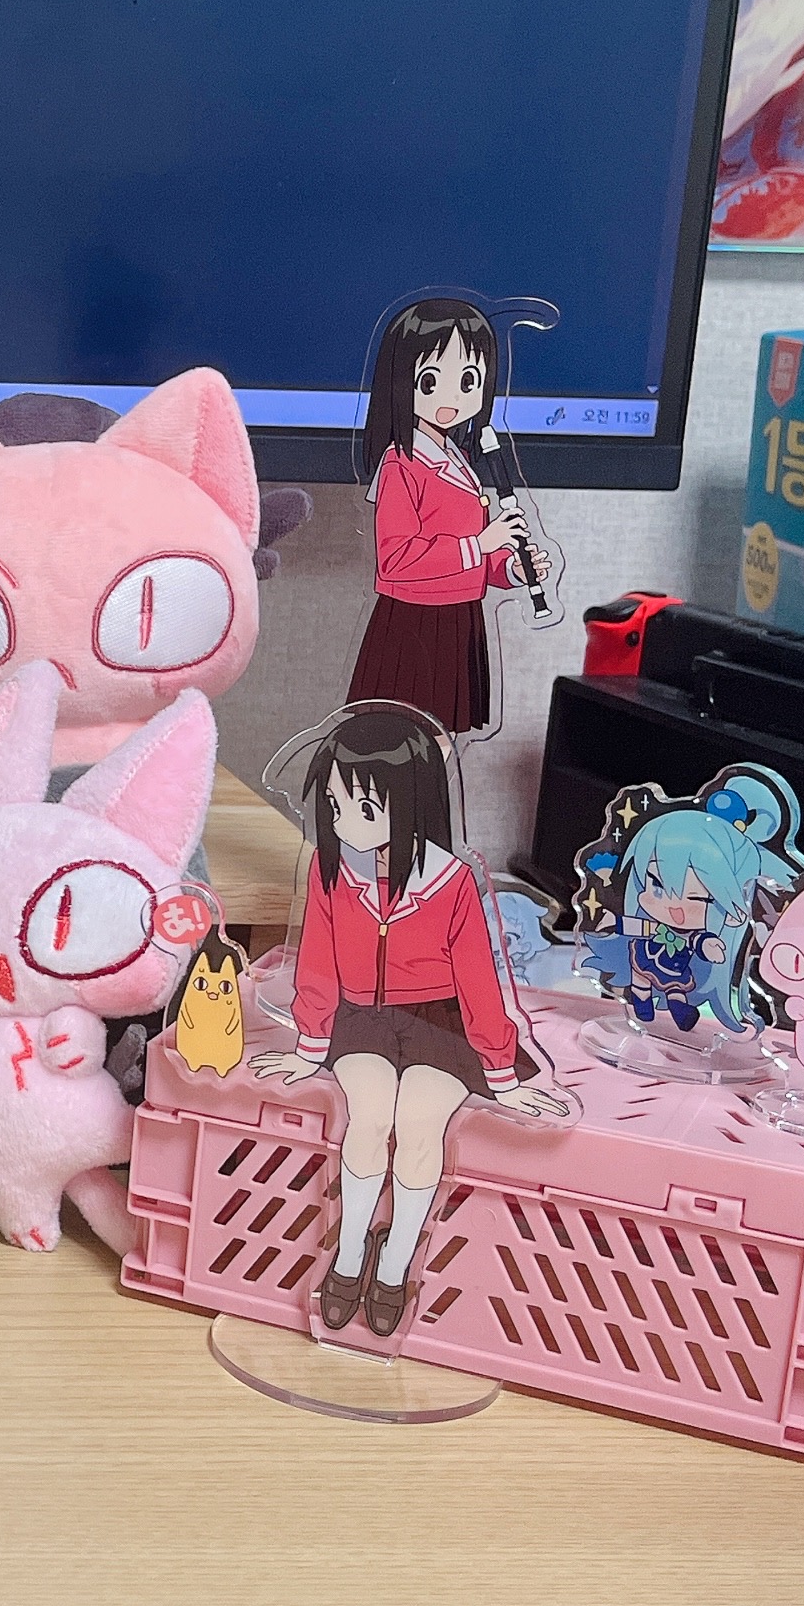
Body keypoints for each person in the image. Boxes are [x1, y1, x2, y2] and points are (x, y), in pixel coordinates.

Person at [252, 704, 568, 1336]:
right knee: (370, 1116)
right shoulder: (329, 871)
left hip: (439, 1026)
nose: (342, 822)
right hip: (362, 1020)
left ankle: (395, 1265)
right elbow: (316, 962)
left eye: (363, 808)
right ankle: (348, 1257)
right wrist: (309, 1046)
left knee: (420, 1126)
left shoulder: (451, 882)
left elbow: (479, 985)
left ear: (413, 805)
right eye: (335, 805)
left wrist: (504, 1076)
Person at [343, 298, 555, 738]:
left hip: (460, 617)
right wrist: (481, 544)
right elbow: (396, 560)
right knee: (405, 740)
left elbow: (473, 551)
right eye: (429, 380)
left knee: (443, 742)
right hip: (415, 622)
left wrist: (511, 569)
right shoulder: (401, 464)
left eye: (468, 381)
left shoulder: (459, 459)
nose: (451, 398)